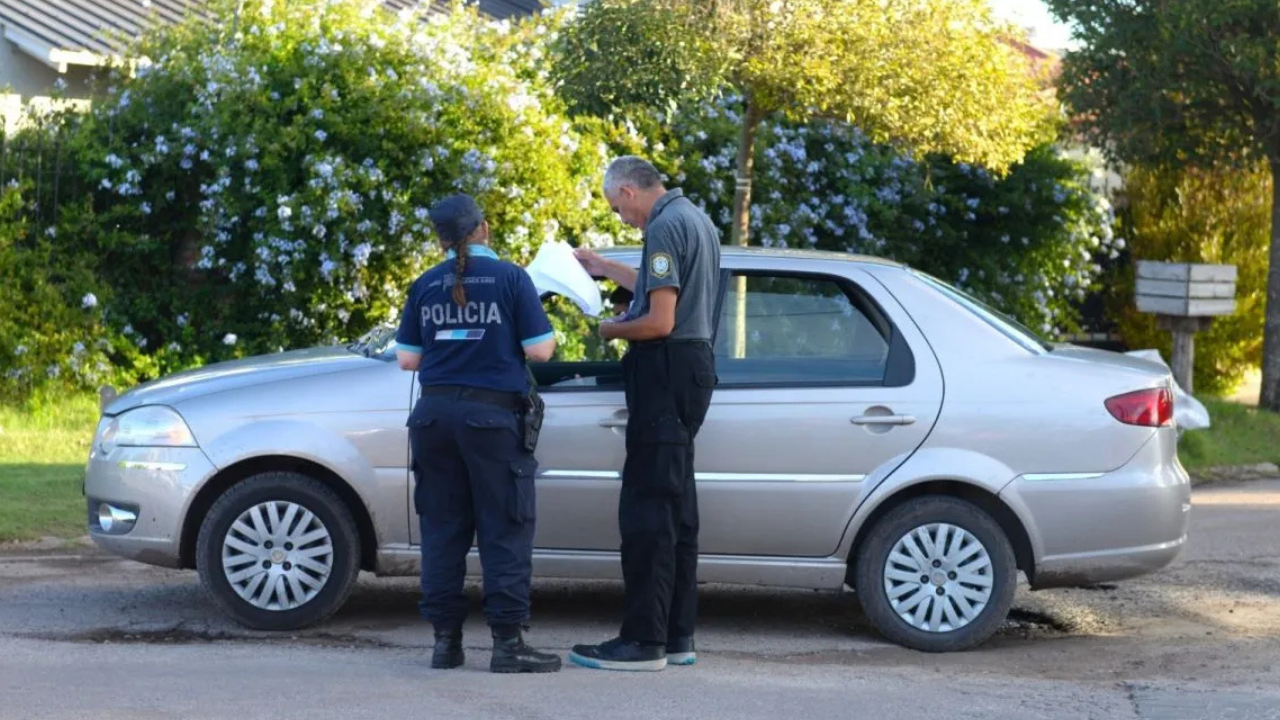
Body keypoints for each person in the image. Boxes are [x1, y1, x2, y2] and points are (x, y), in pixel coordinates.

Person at [394, 193, 562, 674]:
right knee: (504, 528)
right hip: (491, 421)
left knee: (442, 530)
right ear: (484, 228)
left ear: (441, 239)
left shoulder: (425, 284)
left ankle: (445, 645)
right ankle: (508, 646)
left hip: (432, 419)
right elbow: (541, 351)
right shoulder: (512, 278)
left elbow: (407, 359)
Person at [568, 156, 721, 671]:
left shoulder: (663, 226)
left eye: (618, 208)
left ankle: (641, 642)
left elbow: (659, 321)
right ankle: (677, 636)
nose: (621, 218)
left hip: (666, 369)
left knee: (647, 511)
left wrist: (607, 330)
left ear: (630, 192)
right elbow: (664, 291)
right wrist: (605, 268)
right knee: (677, 510)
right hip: (692, 368)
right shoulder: (693, 218)